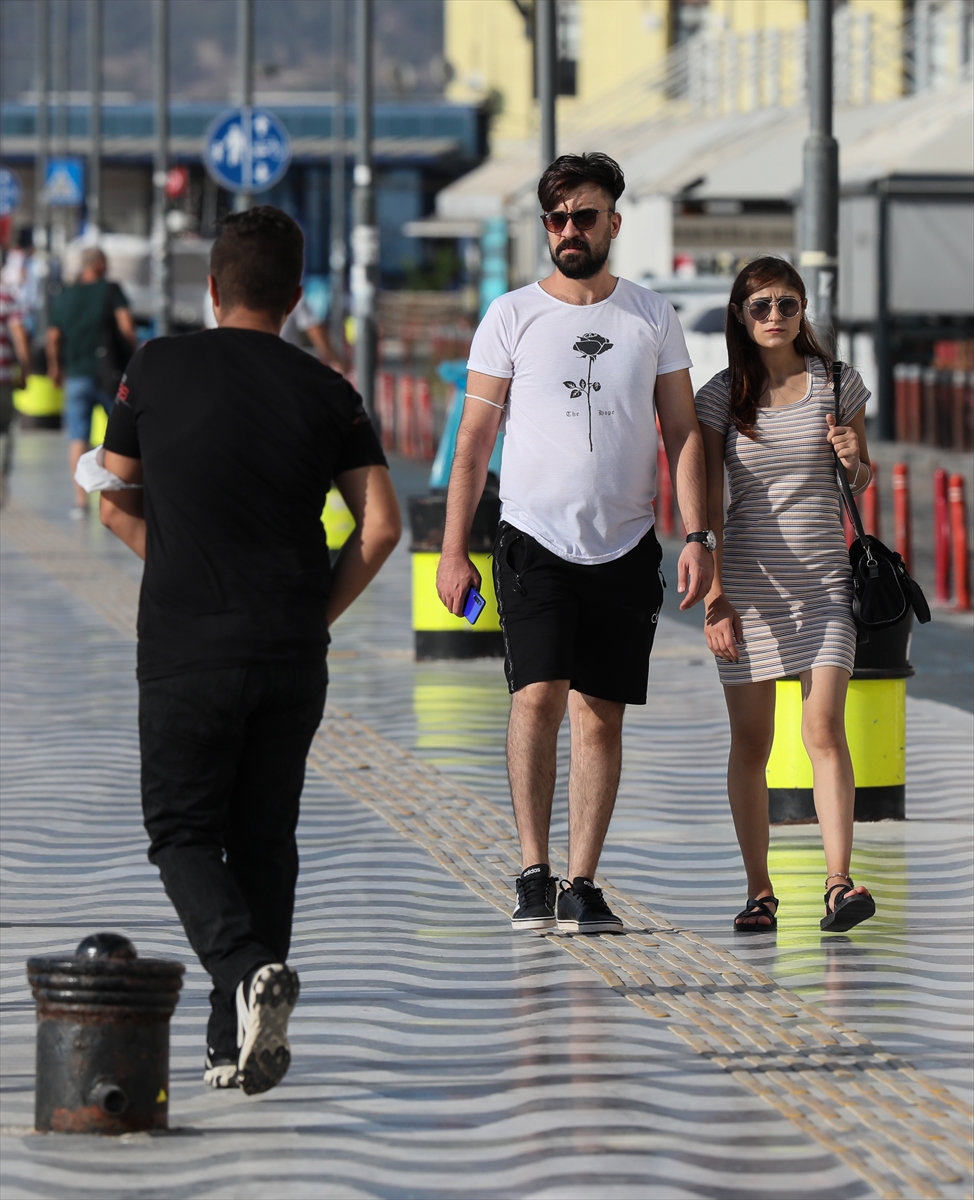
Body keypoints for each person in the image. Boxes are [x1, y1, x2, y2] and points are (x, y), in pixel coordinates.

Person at [99, 207, 401, 1094]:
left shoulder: (154, 367)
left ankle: (239, 970)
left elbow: (114, 498)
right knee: (263, 836)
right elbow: (380, 527)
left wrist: (186, 563)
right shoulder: (331, 389)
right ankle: (231, 1040)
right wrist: (317, 611)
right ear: (297, 296)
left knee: (183, 832)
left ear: (211, 287)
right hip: (289, 649)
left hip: (188, 647)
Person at [436, 153, 714, 934]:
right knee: (536, 700)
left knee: (602, 714)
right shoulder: (511, 315)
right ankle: (532, 870)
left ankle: (582, 881)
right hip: (532, 539)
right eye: (555, 219)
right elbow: (473, 442)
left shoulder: (651, 316)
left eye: (582, 217)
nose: (567, 231)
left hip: (627, 545)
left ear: (613, 224)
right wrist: (454, 548)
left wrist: (699, 534)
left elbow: (683, 430)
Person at [695, 256, 877, 935]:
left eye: (787, 304)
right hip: (745, 586)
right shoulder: (720, 396)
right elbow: (707, 502)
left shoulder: (837, 382)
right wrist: (714, 595)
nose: (775, 316)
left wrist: (853, 454)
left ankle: (837, 884)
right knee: (752, 740)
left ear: (804, 312)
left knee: (824, 727)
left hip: (824, 582)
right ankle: (760, 890)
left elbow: (861, 481)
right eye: (761, 305)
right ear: (740, 316)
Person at [47, 246, 136, 518]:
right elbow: (126, 326)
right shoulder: (110, 290)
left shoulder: (65, 295)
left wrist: (56, 367)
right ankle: (118, 497)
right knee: (121, 436)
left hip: (76, 376)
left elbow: (53, 338)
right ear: (97, 264)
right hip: (109, 375)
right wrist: (133, 357)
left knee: (78, 438)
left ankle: (80, 502)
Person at [1, 272, 31, 506]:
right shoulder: (6, 296)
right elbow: (19, 335)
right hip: (3, 380)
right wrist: (25, 369)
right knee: (3, 431)